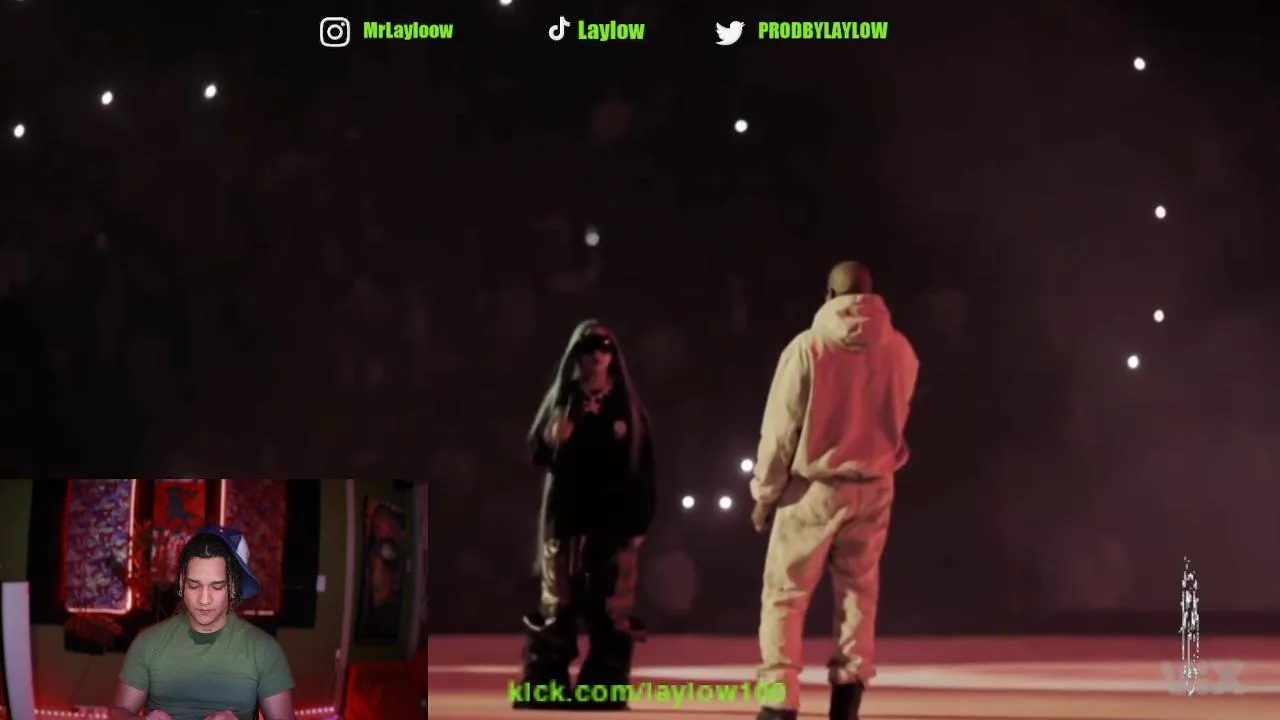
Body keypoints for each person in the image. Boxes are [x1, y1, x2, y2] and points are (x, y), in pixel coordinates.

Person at [748, 262, 919, 720]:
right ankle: (848, 695)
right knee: (858, 595)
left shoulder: (808, 349)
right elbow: (898, 418)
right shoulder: (901, 350)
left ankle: (779, 700)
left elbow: (780, 432)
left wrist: (765, 494)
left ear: (828, 294)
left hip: (813, 489)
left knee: (785, 595)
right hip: (875, 485)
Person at [513, 320, 656, 711]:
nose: (595, 355)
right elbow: (535, 453)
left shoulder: (626, 408)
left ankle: (603, 686)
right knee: (557, 607)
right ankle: (546, 685)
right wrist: (552, 437)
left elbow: (643, 471)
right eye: (587, 348)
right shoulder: (563, 402)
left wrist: (640, 523)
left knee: (611, 609)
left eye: (603, 347)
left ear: (613, 356)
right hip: (566, 522)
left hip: (613, 525)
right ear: (575, 356)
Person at [109, 525, 297, 720]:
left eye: (217, 587)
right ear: (181, 583)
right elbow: (118, 713)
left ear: (233, 587)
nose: (204, 600)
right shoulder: (148, 642)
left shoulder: (263, 649)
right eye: (194, 585)